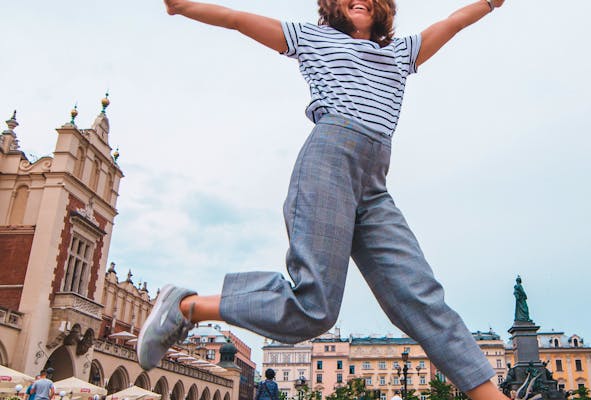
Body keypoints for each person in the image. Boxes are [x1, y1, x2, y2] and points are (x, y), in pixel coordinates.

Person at [136, 1, 510, 400]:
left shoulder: (402, 52)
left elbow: (452, 23)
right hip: (329, 160)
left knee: (419, 293)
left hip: (373, 184)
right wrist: (182, 6)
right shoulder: (313, 38)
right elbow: (238, 20)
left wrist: (488, 4)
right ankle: (188, 307)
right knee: (314, 308)